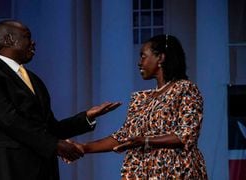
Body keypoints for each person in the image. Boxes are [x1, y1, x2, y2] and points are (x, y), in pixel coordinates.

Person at [0, 19, 121, 180]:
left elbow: (49, 127)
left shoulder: (34, 80)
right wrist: (54, 145)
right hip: (7, 169)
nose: (33, 42)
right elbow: (9, 120)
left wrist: (86, 117)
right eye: (27, 37)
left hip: (42, 170)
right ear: (8, 40)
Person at [69, 34, 208, 179]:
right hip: (143, 171)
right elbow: (123, 136)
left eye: (143, 56)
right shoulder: (141, 99)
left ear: (160, 58)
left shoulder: (186, 89)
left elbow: (186, 135)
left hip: (175, 170)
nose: (139, 63)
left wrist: (145, 141)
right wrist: (84, 147)